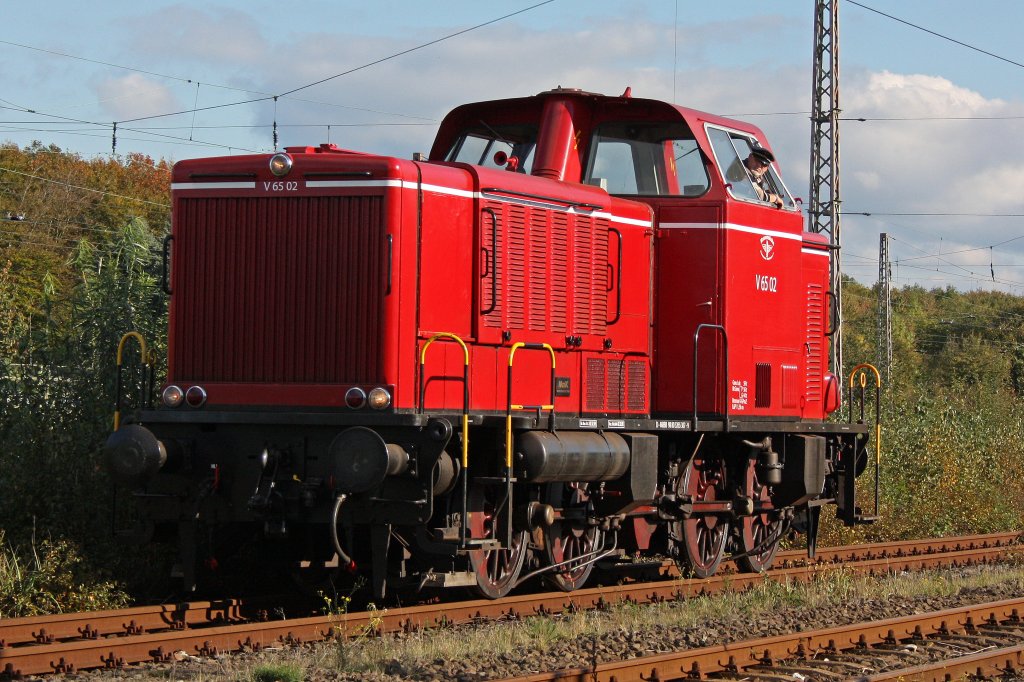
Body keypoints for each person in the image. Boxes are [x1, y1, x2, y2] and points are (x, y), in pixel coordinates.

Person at [743, 143, 784, 208]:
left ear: (767, 168)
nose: (759, 166)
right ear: (750, 157)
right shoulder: (742, 170)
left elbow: (766, 189)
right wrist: (776, 198)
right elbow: (758, 195)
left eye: (764, 165)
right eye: (757, 161)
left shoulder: (758, 177)